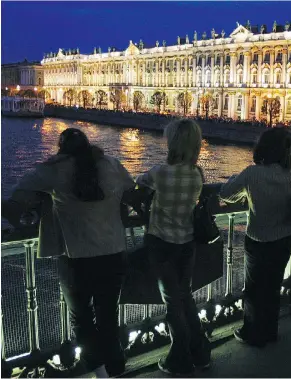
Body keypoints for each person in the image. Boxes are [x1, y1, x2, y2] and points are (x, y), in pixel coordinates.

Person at [7, 128, 135, 377]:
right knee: (108, 315)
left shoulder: (54, 168)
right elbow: (130, 191)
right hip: (113, 253)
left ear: (61, 148)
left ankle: (99, 371)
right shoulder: (110, 163)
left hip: (77, 258)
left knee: (82, 319)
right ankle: (116, 366)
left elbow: (18, 195)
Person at [220, 128, 291, 347]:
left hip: (257, 239)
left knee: (254, 289)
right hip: (284, 238)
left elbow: (225, 194)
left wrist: (235, 180)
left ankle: (252, 331)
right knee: (273, 287)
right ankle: (269, 331)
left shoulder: (252, 173)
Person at [136, 119, 211, 376]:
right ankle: (201, 351)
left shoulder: (160, 172)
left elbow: (138, 180)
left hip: (161, 245)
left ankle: (180, 358)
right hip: (187, 244)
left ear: (174, 143)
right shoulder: (197, 174)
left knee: (172, 302)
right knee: (185, 296)